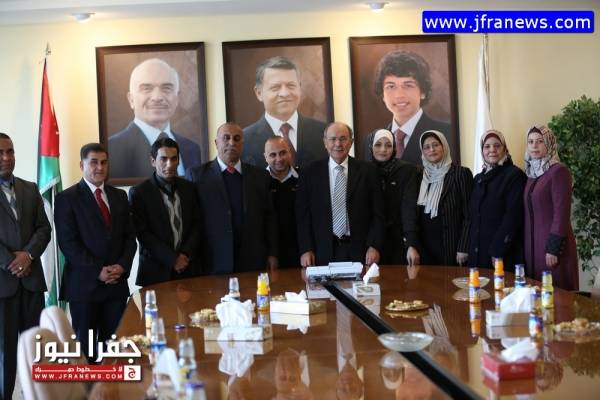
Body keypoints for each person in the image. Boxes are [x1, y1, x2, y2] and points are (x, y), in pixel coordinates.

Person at [55, 143, 136, 361]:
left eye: (103, 162)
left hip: (116, 287)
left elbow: (130, 238)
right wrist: (97, 270)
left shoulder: (119, 196)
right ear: (82, 165)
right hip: (84, 288)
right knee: (87, 352)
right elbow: (68, 244)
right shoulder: (66, 198)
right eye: (93, 162)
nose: (99, 167)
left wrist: (122, 266)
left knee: (115, 350)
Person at [186, 122, 277, 274]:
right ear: (216, 143)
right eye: (226, 138)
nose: (231, 143)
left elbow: (270, 218)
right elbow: (191, 222)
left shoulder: (261, 176)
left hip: (253, 260)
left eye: (237, 138)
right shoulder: (197, 176)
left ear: (242, 144)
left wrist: (273, 253)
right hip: (213, 262)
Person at [0, 133, 51, 400]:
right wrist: (13, 262)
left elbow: (44, 228)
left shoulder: (30, 188)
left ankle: (39, 395)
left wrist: (28, 256)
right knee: (5, 353)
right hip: (3, 286)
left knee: (37, 349)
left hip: (31, 283)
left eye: (10, 151)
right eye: (1, 153)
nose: (6, 158)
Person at [296, 122, 384, 267]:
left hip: (361, 250)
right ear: (325, 142)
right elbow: (303, 216)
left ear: (351, 142)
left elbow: (378, 213)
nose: (338, 144)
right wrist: (306, 249)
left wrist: (374, 246)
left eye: (343, 139)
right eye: (333, 139)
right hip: (321, 251)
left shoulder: (368, 171)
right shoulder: (309, 173)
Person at [108, 58, 202, 179]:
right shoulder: (111, 149)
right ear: (131, 100)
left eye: (166, 88)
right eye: (146, 88)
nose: (157, 97)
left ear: (177, 98)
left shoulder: (193, 149)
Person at [128, 137, 202, 286]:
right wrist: (173, 259)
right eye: (163, 159)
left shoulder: (189, 188)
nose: (170, 164)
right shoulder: (139, 192)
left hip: (188, 268)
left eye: (174, 159)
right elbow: (143, 234)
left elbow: (197, 224)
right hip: (155, 271)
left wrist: (184, 255)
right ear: (153, 161)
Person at [364, 50, 453, 166]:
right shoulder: (371, 141)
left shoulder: (447, 134)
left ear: (423, 92)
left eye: (408, 85)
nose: (399, 95)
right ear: (383, 95)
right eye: (391, 86)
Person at [242, 56, 328, 169]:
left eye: (291, 86)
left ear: (300, 88)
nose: (285, 93)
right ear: (259, 93)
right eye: (275, 87)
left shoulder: (324, 133)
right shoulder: (244, 141)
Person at [524, 125, 578, 290]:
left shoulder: (559, 171)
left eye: (540, 141)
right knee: (536, 294)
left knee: (556, 294)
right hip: (533, 247)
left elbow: (562, 213)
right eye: (530, 142)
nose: (534, 146)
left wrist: (553, 248)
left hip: (552, 248)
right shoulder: (530, 174)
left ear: (549, 143)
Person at [468, 130, 526, 271]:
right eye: (487, 146)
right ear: (482, 151)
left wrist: (498, 250)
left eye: (497, 145)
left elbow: (513, 216)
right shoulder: (478, 179)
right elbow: (473, 217)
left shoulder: (514, 175)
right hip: (477, 252)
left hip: (501, 253)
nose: (492, 150)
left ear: (504, 148)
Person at [417, 130, 473, 266]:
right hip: (425, 249)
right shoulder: (419, 176)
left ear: (444, 146)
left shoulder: (461, 174)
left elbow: (469, 214)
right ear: (423, 152)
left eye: (435, 145)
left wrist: (464, 247)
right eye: (427, 147)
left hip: (452, 247)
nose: (432, 150)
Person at [368, 129, 420, 265]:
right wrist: (372, 243)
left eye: (388, 145)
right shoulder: (364, 170)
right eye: (378, 145)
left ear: (394, 148)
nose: (383, 150)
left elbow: (408, 208)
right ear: (371, 147)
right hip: (370, 242)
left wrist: (411, 243)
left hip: (398, 240)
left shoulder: (406, 170)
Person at [264, 137, 300, 268]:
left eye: (283, 153)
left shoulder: (304, 178)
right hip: (269, 254)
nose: (279, 159)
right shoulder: (258, 181)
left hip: (300, 251)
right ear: (265, 157)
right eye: (273, 155)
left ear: (290, 152)